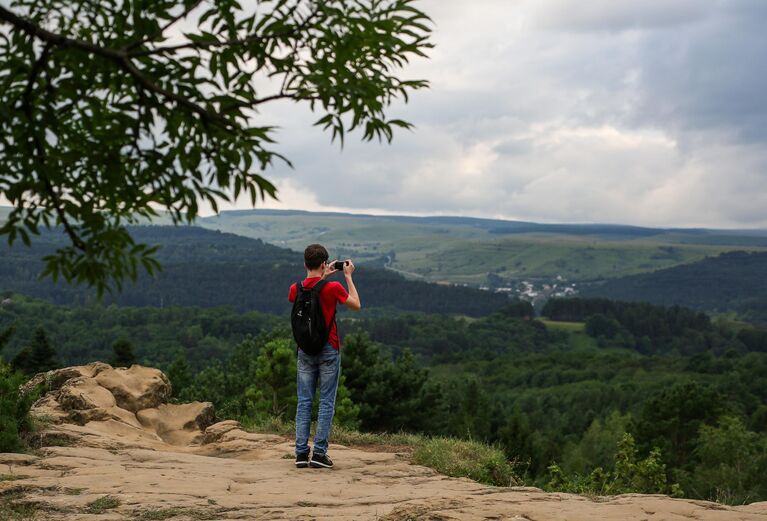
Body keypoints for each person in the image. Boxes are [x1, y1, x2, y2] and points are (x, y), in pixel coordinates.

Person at [288, 244, 361, 469]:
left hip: (304, 350)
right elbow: (356, 304)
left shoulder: (295, 288)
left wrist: (320, 276)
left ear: (304, 264)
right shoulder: (333, 288)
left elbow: (307, 293)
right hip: (329, 348)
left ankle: (301, 453)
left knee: (304, 402)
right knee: (326, 402)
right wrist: (347, 277)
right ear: (323, 264)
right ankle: (319, 454)